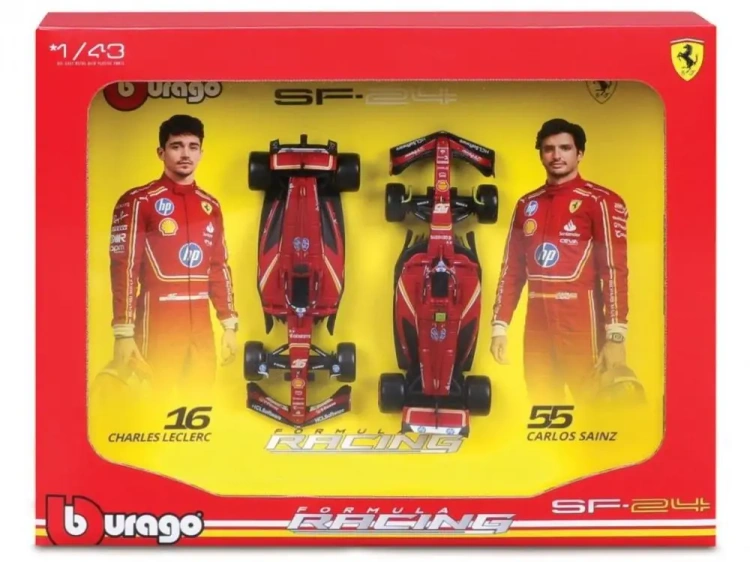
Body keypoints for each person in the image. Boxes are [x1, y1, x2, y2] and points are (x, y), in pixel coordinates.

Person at [490, 118, 629, 403]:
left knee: (595, 408)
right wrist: (499, 327)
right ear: (540, 154)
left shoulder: (601, 201)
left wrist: (616, 335)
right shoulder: (527, 204)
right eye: (549, 148)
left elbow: (614, 270)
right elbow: (511, 270)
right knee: (542, 406)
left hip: (581, 327)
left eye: (565, 148)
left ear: (580, 153)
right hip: (537, 329)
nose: (557, 155)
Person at [109, 114, 239, 394]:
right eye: (176, 146)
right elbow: (124, 266)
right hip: (158, 325)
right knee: (158, 400)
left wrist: (228, 325)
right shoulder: (139, 201)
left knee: (201, 399)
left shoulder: (210, 205)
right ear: (161, 152)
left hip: (201, 331)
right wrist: (123, 332)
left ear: (201, 153)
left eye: (193, 147)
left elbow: (218, 267)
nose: (185, 154)